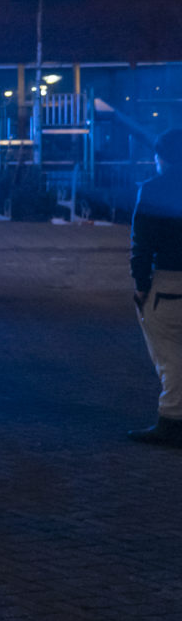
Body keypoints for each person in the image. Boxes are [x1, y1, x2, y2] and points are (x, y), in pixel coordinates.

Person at [129, 128, 182, 445]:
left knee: (170, 357)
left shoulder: (152, 190)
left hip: (169, 282)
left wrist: (141, 284)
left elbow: (142, 244)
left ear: (161, 157)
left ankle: (172, 420)